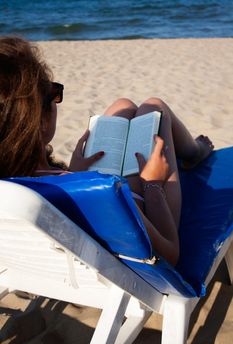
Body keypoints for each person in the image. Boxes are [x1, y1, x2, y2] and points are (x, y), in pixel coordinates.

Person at [0, 36, 214, 266]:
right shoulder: (94, 193)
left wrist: (74, 171)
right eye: (54, 93)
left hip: (70, 224)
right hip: (133, 216)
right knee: (155, 107)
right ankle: (195, 152)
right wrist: (152, 185)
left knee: (123, 106)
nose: (56, 99)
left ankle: (190, 149)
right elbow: (170, 255)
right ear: (39, 122)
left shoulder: (14, 180)